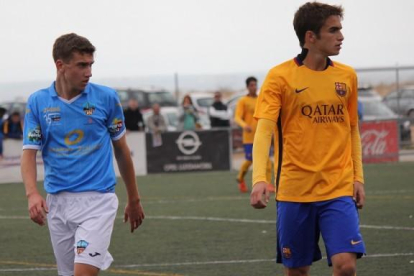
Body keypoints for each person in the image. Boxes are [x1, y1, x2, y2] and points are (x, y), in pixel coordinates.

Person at [250, 2, 365, 276]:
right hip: (294, 191)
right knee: (298, 271)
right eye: (333, 30)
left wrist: (357, 177)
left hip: (338, 188)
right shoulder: (280, 77)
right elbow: (264, 131)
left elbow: (352, 130)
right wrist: (259, 179)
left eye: (340, 29)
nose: (341, 36)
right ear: (310, 37)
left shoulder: (347, 76)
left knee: (346, 266)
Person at [21, 33, 145, 276]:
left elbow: (121, 151)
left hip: (98, 201)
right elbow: (29, 153)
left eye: (90, 65)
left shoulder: (106, 98)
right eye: (81, 65)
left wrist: (134, 198)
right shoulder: (38, 102)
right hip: (58, 203)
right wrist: (32, 194)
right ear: (60, 65)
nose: (89, 72)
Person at [234, 77, 273, 193]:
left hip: (262, 136)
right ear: (247, 87)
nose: (254, 87)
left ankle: (268, 184)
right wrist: (244, 125)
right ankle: (240, 178)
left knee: (267, 161)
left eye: (255, 85)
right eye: (251, 85)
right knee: (250, 160)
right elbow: (237, 117)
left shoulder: (261, 99)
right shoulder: (243, 101)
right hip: (249, 137)